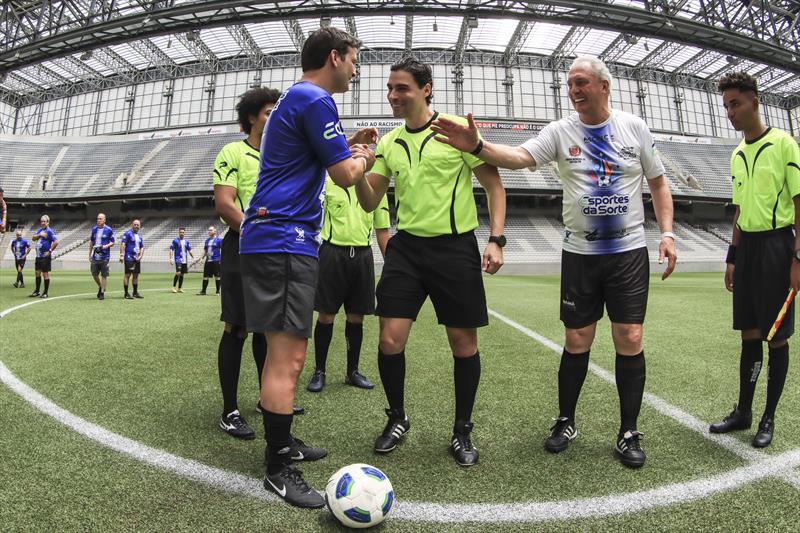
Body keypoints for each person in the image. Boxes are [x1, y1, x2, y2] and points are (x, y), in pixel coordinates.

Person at [431, 55, 677, 469]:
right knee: (577, 340)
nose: (573, 90)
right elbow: (517, 158)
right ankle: (566, 420)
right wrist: (476, 146)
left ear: (603, 86)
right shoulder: (562, 131)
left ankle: (628, 431)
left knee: (630, 336)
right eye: (570, 84)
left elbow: (658, 182)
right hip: (580, 252)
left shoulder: (633, 127)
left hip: (628, 250)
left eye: (581, 82)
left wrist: (668, 233)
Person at [239, 27, 376, 507]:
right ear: (335, 57)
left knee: (284, 352)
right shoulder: (316, 100)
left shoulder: (298, 100)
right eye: (354, 61)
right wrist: (364, 154)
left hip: (277, 237)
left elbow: (318, 159)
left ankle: (284, 442)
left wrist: (347, 145)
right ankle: (278, 468)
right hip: (283, 238)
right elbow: (344, 177)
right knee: (289, 358)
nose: (356, 70)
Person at [354, 57, 506, 468]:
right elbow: (371, 201)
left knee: (463, 344)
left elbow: (494, 185)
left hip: (454, 250)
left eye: (401, 88)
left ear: (426, 89)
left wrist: (495, 239)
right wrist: (357, 172)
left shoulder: (454, 130)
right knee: (389, 340)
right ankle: (398, 417)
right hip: (406, 250)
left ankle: (461, 430)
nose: (392, 96)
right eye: (390, 88)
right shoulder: (388, 142)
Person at [709, 72, 800, 448]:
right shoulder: (736, 153)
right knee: (749, 333)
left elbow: (799, 204)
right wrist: (732, 256)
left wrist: (798, 258)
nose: (730, 112)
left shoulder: (784, 144)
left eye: (736, 103)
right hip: (746, 252)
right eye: (726, 105)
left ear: (755, 101)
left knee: (775, 336)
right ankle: (744, 411)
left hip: (778, 249)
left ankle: (768, 418)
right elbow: (740, 210)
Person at [213, 87, 304, 442]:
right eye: (268, 113)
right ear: (252, 117)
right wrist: (256, 231)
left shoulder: (284, 156)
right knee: (236, 327)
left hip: (277, 249)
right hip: (243, 245)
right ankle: (229, 410)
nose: (273, 120)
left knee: (271, 328)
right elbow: (225, 203)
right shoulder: (233, 151)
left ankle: (270, 401)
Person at [306, 176, 390, 393]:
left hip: (363, 255)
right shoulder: (327, 182)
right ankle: (319, 371)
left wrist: (391, 265)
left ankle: (352, 371)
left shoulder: (377, 186)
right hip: (332, 253)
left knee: (357, 317)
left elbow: (382, 229)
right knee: (326, 315)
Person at [30, 215, 59, 299]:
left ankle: (45, 293)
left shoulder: (49, 231)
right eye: (41, 221)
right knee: (37, 273)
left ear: (48, 222)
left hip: (44, 257)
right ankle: (37, 291)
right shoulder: (40, 230)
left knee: (45, 274)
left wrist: (50, 251)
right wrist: (40, 235)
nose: (42, 223)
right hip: (38, 256)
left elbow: (56, 242)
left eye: (44, 221)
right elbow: (33, 238)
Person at [89, 213, 115, 301]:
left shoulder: (109, 230)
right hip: (95, 256)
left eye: (100, 219)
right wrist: (89, 254)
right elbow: (91, 242)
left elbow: (112, 242)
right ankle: (101, 286)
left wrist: (104, 247)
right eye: (97, 219)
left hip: (105, 256)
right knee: (94, 274)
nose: (98, 220)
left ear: (104, 220)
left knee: (104, 275)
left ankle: (102, 293)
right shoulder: (94, 229)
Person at [120, 219, 145, 299]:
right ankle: (126, 293)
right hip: (129, 257)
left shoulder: (140, 237)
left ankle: (135, 292)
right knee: (127, 275)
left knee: (136, 275)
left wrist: (140, 256)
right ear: (132, 225)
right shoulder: (127, 234)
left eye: (138, 225)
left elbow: (142, 247)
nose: (136, 226)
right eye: (135, 224)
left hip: (136, 258)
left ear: (140, 226)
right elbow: (123, 244)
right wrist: (121, 255)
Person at [194, 225, 222, 295]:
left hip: (216, 260)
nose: (209, 231)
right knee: (205, 276)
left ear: (215, 231)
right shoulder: (207, 240)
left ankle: (218, 291)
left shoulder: (219, 240)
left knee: (217, 276)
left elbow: (223, 250)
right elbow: (205, 251)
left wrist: (222, 259)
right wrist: (201, 258)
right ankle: (203, 291)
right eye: (209, 230)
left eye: (211, 230)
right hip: (208, 261)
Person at [169, 228, 193, 293]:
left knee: (182, 274)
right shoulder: (175, 241)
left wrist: (193, 257)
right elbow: (171, 249)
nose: (182, 233)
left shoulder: (186, 242)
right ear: (179, 233)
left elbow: (190, 250)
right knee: (178, 273)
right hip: (178, 259)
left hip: (184, 260)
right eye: (180, 232)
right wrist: (170, 258)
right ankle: (173, 287)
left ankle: (179, 288)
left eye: (183, 232)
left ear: (184, 233)